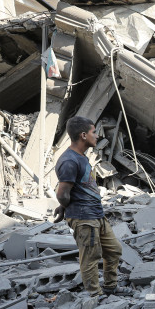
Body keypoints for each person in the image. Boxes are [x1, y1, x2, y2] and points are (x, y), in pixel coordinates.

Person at [54, 116, 126, 297]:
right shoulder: (69, 161)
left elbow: (74, 189)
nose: (97, 135)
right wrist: (65, 207)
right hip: (84, 217)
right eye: (94, 132)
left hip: (96, 215)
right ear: (84, 135)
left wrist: (63, 207)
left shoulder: (81, 157)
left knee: (114, 250)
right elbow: (62, 193)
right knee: (90, 257)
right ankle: (95, 295)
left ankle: (110, 286)